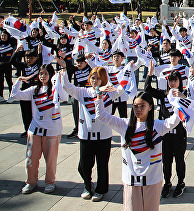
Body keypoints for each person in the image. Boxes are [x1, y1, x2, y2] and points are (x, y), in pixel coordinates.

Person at [95, 90, 181, 211]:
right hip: (131, 180)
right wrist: (99, 96)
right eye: (135, 106)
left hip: (152, 180)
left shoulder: (158, 126)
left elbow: (175, 120)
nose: (138, 109)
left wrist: (179, 100)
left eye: (142, 106)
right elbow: (102, 115)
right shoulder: (124, 125)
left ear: (150, 107)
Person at [61, 66, 125, 201]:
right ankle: (87, 185)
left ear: (103, 80)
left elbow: (122, 86)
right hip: (86, 135)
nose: (94, 80)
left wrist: (123, 72)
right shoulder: (82, 92)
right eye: (92, 77)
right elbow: (67, 86)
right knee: (84, 165)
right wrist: (64, 70)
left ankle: (100, 189)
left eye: (98, 78)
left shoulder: (109, 93)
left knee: (102, 165)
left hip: (103, 136)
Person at [10, 64, 66, 194]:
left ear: (50, 75)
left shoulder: (55, 90)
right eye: (41, 74)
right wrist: (18, 81)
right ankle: (31, 182)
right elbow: (14, 96)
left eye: (46, 73)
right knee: (31, 158)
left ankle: (50, 182)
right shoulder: (33, 89)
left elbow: (63, 98)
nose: (43, 76)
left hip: (52, 130)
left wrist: (60, 79)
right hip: (35, 129)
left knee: (50, 159)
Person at [144, 63, 188, 198]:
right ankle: (167, 182)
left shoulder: (184, 94)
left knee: (180, 159)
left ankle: (181, 182)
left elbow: (191, 107)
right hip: (165, 135)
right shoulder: (163, 94)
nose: (173, 83)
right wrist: (150, 73)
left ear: (180, 82)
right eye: (171, 81)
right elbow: (147, 89)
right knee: (166, 160)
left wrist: (182, 96)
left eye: (175, 80)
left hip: (179, 134)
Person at [0, 29, 16, 102]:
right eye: (2, 35)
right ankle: (1, 96)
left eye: (5, 35)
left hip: (7, 65)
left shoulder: (11, 43)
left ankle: (11, 96)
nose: (3, 37)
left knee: (9, 81)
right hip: (0, 66)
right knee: (0, 81)